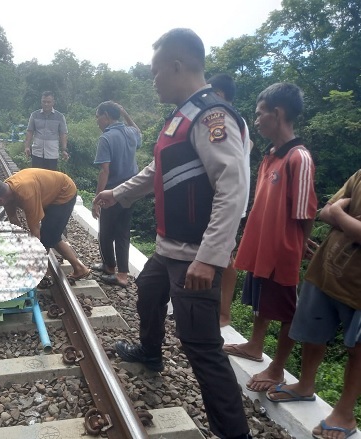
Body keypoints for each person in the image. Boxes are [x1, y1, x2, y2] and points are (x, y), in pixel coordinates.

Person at [93, 29, 251, 439]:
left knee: (201, 347)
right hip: (169, 248)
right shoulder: (181, 116)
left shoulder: (212, 117)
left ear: (178, 66)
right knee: (148, 290)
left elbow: (233, 188)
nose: (153, 79)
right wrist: (118, 193)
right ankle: (150, 353)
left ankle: (233, 433)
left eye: (156, 71)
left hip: (195, 254)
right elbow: (156, 171)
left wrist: (210, 257)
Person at [224, 83, 317, 393]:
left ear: (277, 114)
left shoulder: (298, 158)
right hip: (262, 246)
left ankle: (276, 369)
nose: (257, 119)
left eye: (259, 113)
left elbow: (305, 212)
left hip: (281, 251)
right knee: (261, 300)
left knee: (287, 311)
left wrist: (298, 249)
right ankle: (255, 344)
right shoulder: (271, 156)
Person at [265, 169, 361, 439]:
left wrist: (342, 215)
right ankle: (305, 385)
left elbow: (335, 213)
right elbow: (325, 212)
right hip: (325, 271)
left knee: (357, 351)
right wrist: (346, 220)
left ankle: (345, 413)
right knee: (313, 334)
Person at [0, 169, 90, 281]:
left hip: (63, 193)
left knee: (47, 238)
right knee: (51, 236)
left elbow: (36, 235)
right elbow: (13, 220)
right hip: (47, 193)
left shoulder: (26, 194)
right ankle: (79, 268)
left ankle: (76, 268)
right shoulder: (6, 192)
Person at [207, 73, 254, 327]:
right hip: (231, 199)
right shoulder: (239, 121)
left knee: (225, 257)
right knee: (220, 255)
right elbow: (250, 145)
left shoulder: (224, 118)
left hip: (229, 200)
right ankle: (216, 310)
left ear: (220, 94)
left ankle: (224, 314)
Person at [91, 101, 141, 288]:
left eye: (98, 117)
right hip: (131, 191)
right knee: (122, 232)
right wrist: (125, 113)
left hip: (112, 192)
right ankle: (122, 274)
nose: (97, 121)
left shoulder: (106, 138)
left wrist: (97, 200)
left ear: (106, 116)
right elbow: (138, 131)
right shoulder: (131, 133)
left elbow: (105, 172)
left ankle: (110, 267)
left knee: (105, 232)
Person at [23, 91, 69, 170]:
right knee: (36, 177)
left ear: (53, 102)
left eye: (48, 102)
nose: (46, 104)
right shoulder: (34, 115)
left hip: (52, 153)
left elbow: (63, 134)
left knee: (49, 178)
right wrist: (27, 147)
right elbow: (30, 131)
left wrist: (64, 150)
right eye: (44, 102)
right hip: (37, 152)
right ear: (41, 102)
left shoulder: (60, 117)